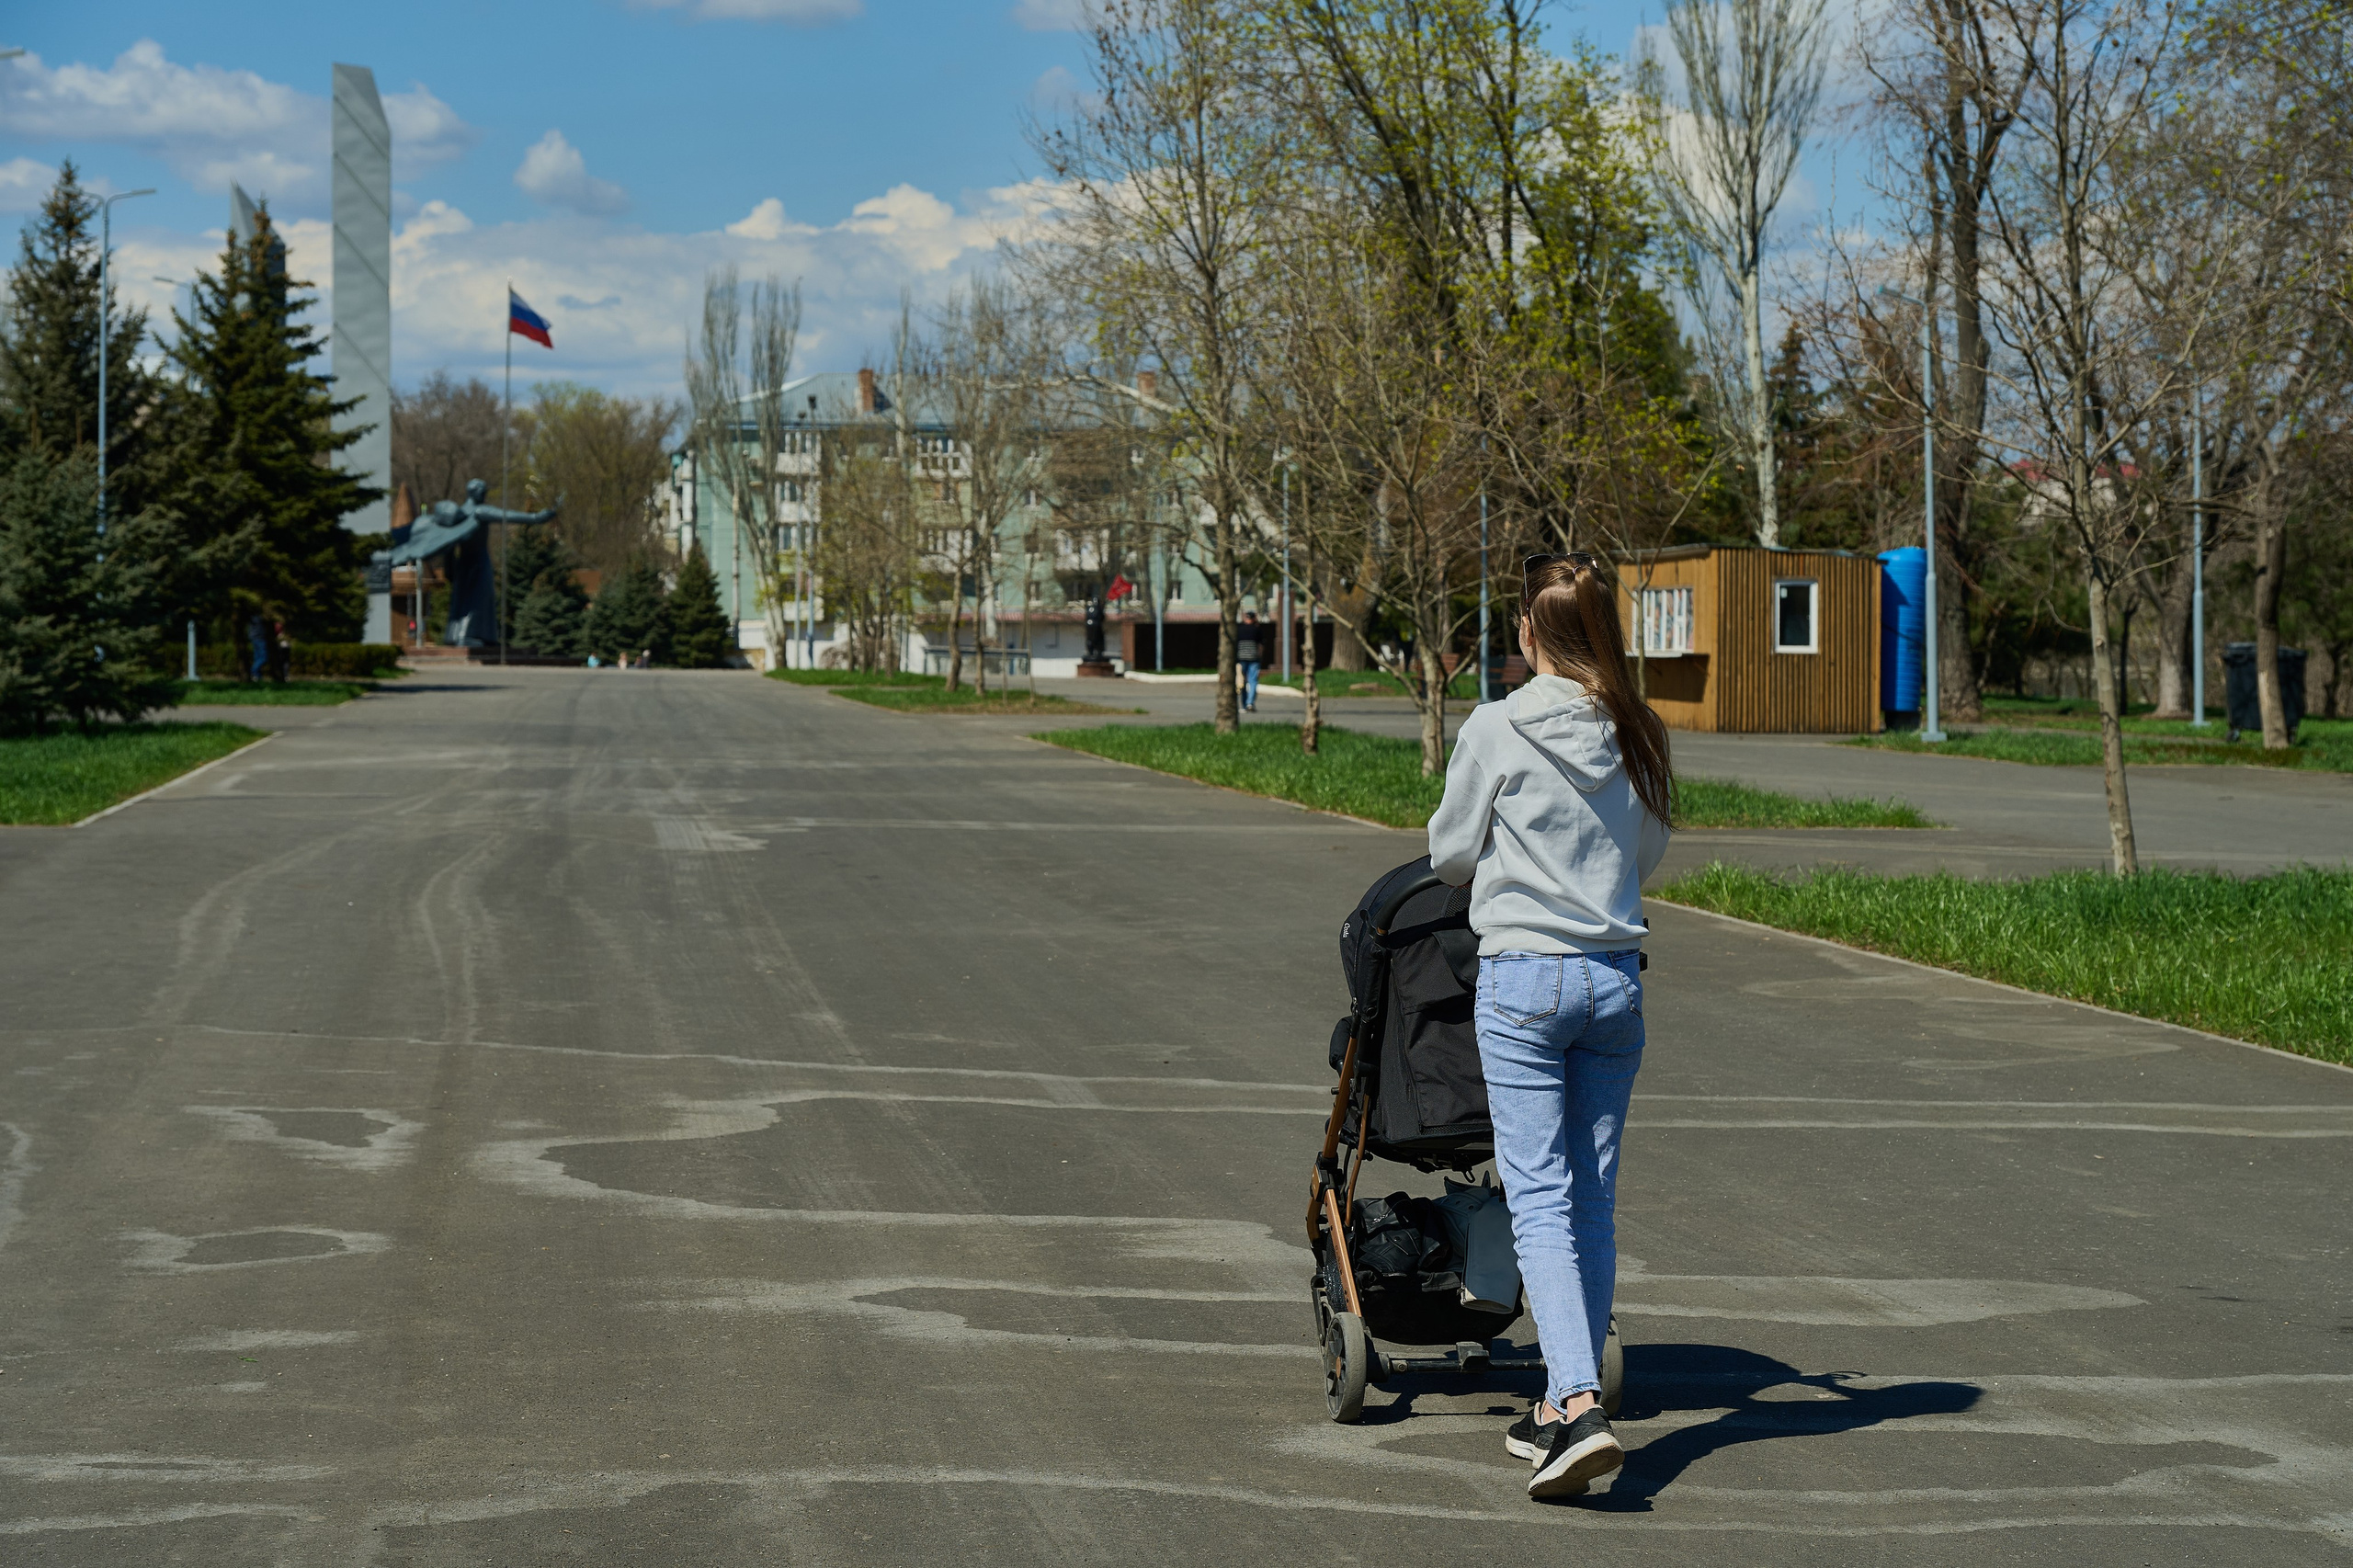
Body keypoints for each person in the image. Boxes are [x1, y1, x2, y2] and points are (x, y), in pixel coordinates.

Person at [1426, 551, 1672, 1501]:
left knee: (1536, 1197)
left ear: (1528, 632)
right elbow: (1643, 852)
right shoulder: (1636, 727)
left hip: (1524, 977)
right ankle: (1558, 1402)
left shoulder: (1496, 723)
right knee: (1591, 1200)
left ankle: (1574, 1401)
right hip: (1614, 981)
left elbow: (1450, 855)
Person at [1235, 609, 1265, 711]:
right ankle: (1250, 703)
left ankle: (1244, 704)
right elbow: (1260, 646)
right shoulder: (1257, 630)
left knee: (1242, 682)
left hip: (1241, 659)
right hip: (1254, 659)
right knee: (1252, 680)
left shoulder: (1239, 629)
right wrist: (1260, 658)